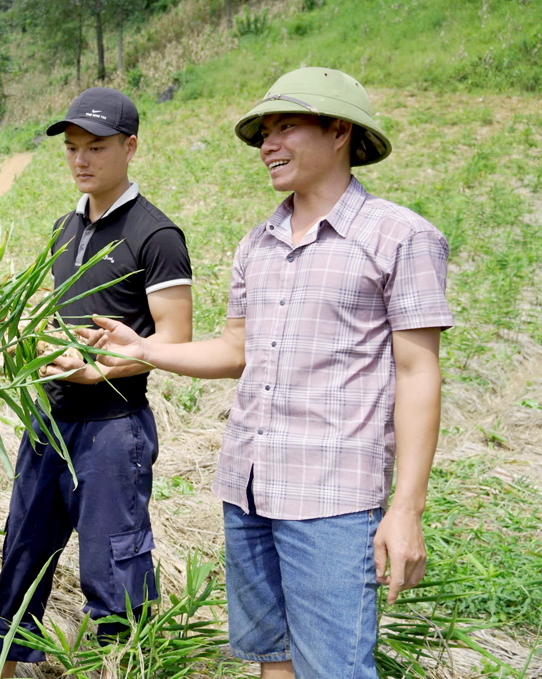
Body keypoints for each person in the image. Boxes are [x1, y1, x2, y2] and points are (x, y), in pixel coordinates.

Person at [84, 68, 452, 678]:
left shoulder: (400, 237)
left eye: (286, 127)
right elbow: (235, 351)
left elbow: (418, 374)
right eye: (263, 133)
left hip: (332, 498)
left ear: (339, 132)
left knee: (335, 669)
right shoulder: (260, 242)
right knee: (271, 663)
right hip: (249, 487)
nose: (268, 145)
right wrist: (143, 350)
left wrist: (406, 509)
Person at [0, 87, 194, 679]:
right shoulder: (64, 227)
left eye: (95, 146)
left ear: (130, 146)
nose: (81, 160)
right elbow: (50, 317)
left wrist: (107, 367)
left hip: (112, 432)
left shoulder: (156, 235)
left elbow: (175, 343)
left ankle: (125, 666)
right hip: (50, 422)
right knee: (22, 556)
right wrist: (9, 326)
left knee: (114, 570)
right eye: (72, 148)